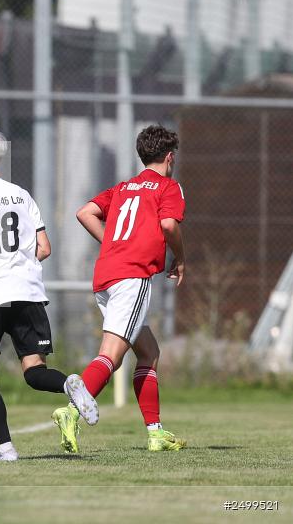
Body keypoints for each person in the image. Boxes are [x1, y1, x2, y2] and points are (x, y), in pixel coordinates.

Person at [0, 123, 97, 462]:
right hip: (28, 292)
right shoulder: (22, 195)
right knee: (34, 371)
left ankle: (6, 449)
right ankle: (67, 386)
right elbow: (44, 247)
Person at [53, 124, 187, 453]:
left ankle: (155, 432)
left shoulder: (124, 188)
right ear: (170, 157)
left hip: (106, 275)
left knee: (148, 352)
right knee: (111, 355)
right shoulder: (168, 187)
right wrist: (180, 259)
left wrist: (113, 244)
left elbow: (85, 213)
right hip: (132, 277)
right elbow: (169, 224)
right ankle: (70, 412)